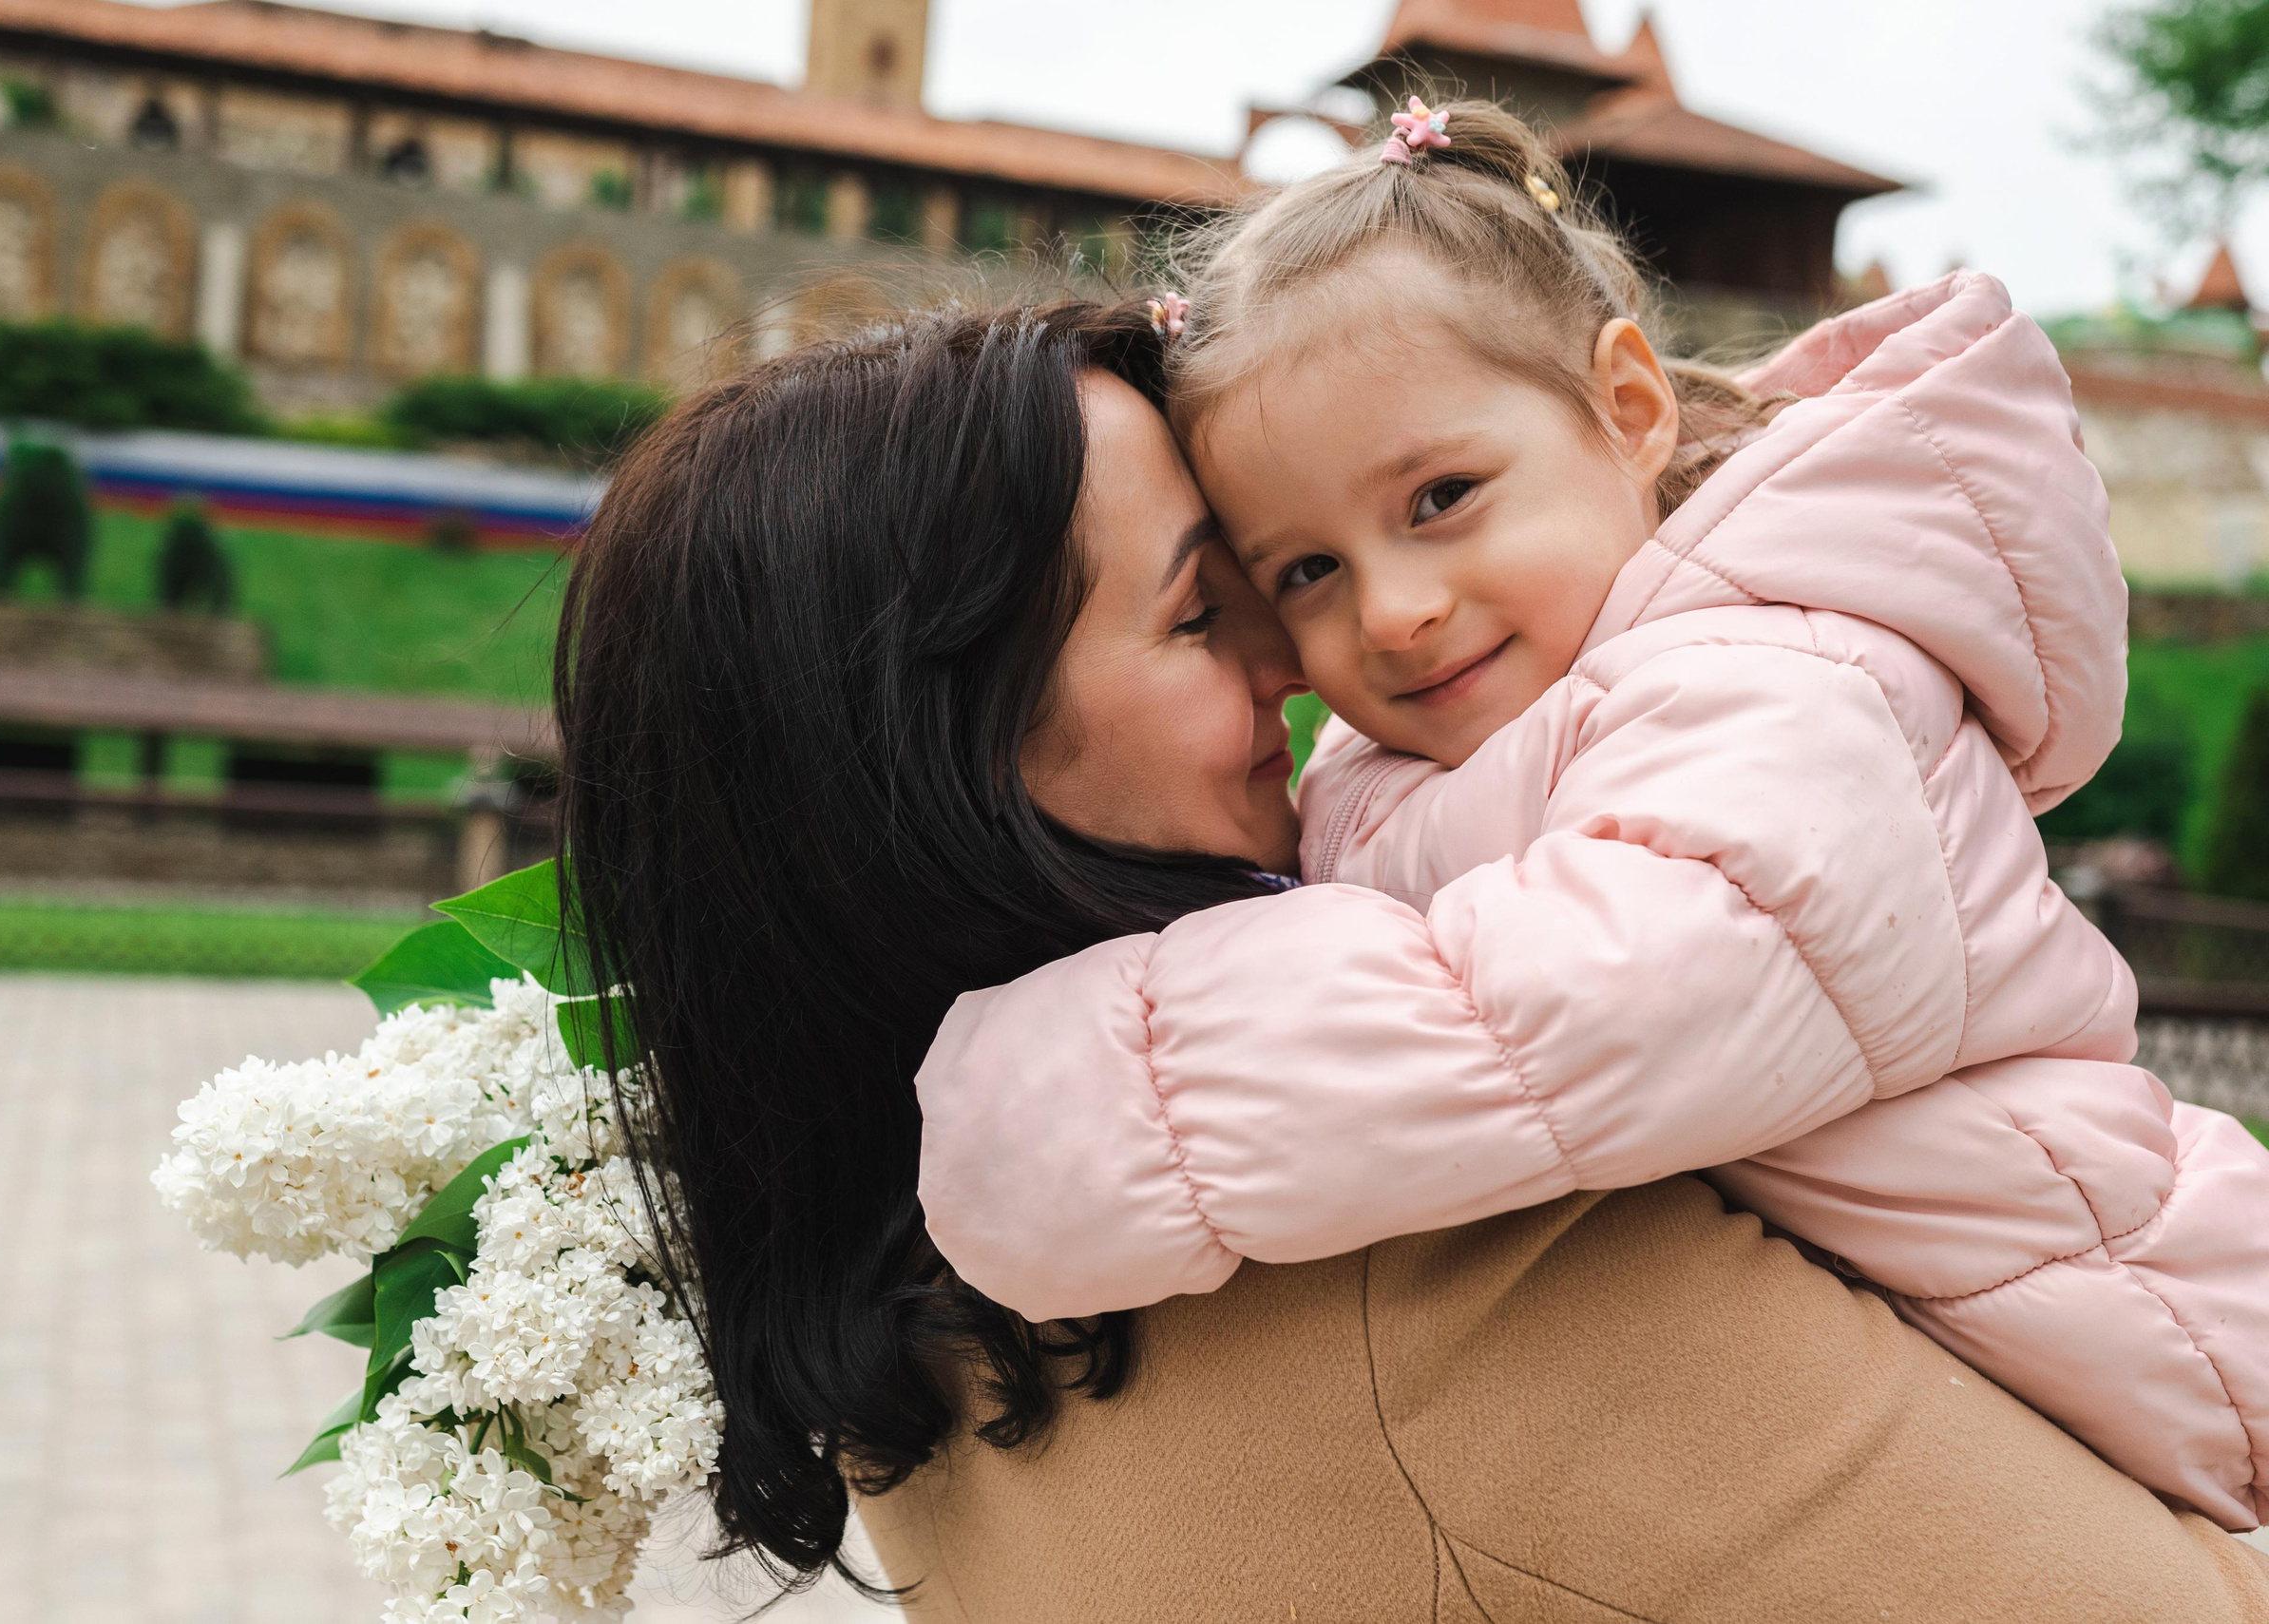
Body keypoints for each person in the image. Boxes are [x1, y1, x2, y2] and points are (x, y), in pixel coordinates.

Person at [554, 300, 2269, 1620]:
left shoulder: (902, 1312)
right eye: (1211, 606)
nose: (1309, 674)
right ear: (941, 764)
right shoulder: (1424, 1280)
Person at [913, 103, 2269, 1531]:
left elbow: (1568, 1008)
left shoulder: (1788, 679)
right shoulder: (1459, 743)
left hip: (2163, 1338)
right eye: (1305, 568)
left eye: (1440, 496)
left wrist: (1085, 1091)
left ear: (1627, 409)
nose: (1393, 608)